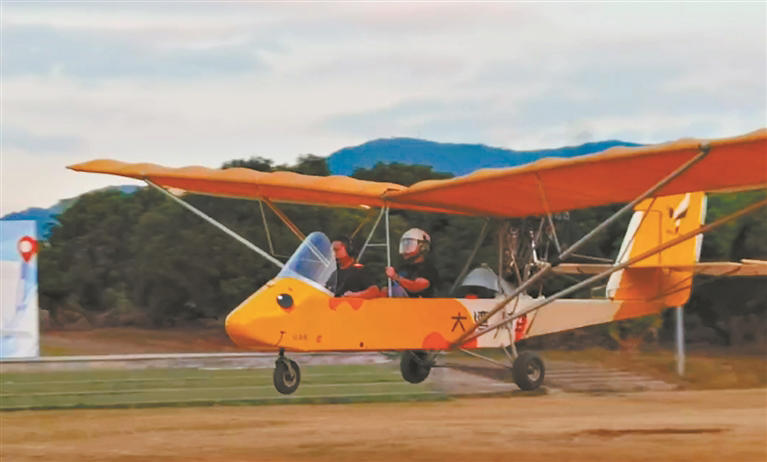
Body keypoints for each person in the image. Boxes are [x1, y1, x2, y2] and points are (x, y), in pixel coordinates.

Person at [385, 228, 439, 297]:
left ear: (423, 247)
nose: (405, 248)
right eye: (404, 244)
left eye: (409, 244)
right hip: (398, 305)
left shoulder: (428, 269)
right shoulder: (402, 268)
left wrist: (395, 277)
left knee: (397, 290)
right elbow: (387, 289)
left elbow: (415, 287)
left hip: (418, 306)